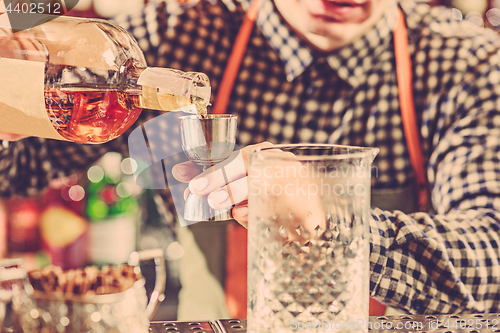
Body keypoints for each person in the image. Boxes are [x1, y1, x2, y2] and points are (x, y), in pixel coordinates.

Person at [2, 0, 500, 318]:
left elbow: (492, 262)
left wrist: (336, 227)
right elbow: (17, 168)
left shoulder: (464, 64)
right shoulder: (177, 37)